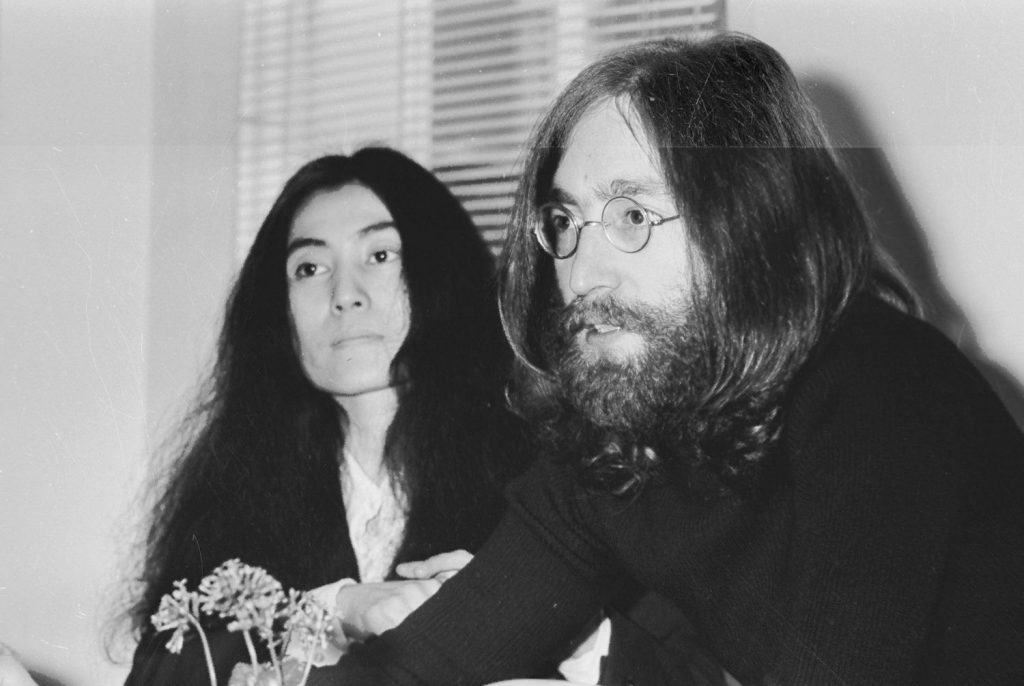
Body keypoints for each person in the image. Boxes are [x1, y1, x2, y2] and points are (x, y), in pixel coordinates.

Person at [302, 33, 1024, 686]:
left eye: (633, 216)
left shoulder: (885, 385)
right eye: (566, 222)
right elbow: (415, 667)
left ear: (745, 226)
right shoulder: (624, 419)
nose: (581, 275)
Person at [122, 147, 715, 686]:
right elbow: (159, 668)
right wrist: (335, 608)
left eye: (380, 256)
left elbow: (689, 675)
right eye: (309, 268)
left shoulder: (556, 470)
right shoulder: (235, 486)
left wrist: (558, 622)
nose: (344, 294)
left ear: (440, 275)